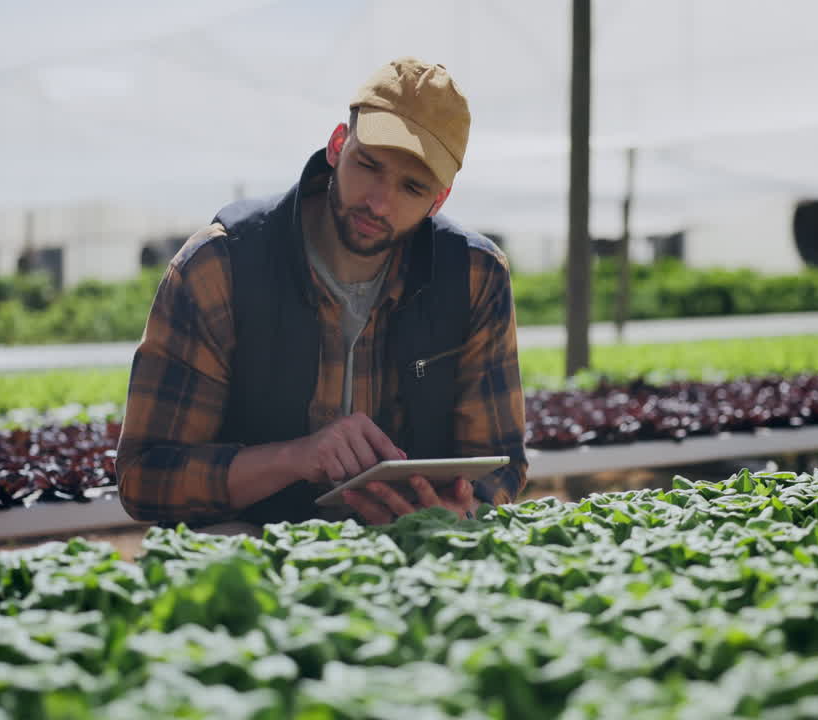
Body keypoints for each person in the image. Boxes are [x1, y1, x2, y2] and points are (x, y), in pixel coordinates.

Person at [115, 57, 527, 533]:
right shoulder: (219, 267)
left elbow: (500, 461)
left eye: (412, 187)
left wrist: (459, 510)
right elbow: (145, 478)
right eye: (368, 165)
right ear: (337, 145)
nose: (379, 202)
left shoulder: (474, 277)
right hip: (246, 547)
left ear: (439, 200)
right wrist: (294, 458)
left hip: (408, 546)